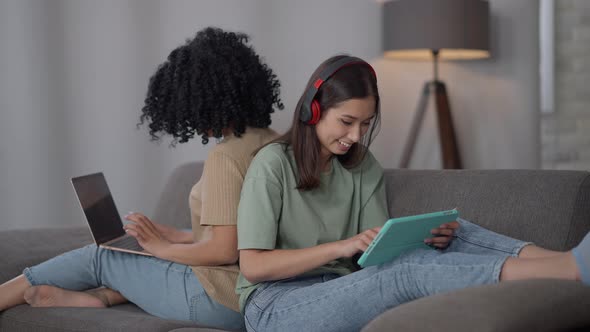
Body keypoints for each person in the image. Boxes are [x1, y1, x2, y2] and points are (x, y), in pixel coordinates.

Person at [234, 55, 590, 332]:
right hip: (275, 306)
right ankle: (572, 269)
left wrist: (420, 239)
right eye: (347, 121)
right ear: (314, 109)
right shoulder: (273, 164)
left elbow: (373, 256)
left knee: (453, 230)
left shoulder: (361, 165)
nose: (356, 136)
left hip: (343, 288)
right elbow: (253, 266)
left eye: (366, 123)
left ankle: (564, 260)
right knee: (406, 272)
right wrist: (341, 246)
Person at [0, 27, 283, 331]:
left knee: (99, 257)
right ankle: (101, 298)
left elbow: (224, 250)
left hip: (219, 298)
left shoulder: (225, 157)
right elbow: (249, 231)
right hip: (257, 295)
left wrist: (161, 248)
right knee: (138, 252)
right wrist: (175, 235)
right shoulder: (275, 142)